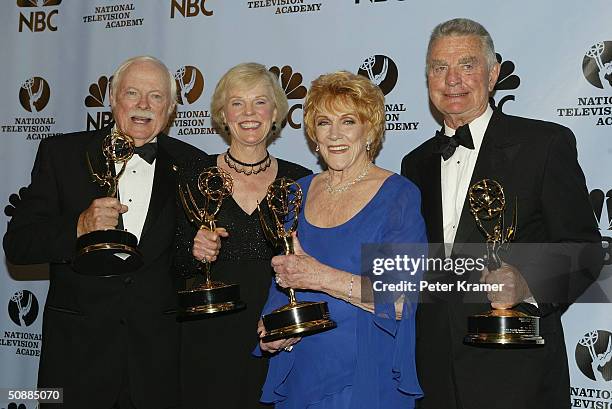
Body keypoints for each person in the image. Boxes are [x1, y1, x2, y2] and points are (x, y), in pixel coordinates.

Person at [401, 18, 602, 409]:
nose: (452, 79)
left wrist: (526, 284)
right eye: (440, 67)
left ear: (493, 75)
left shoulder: (544, 144)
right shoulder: (415, 163)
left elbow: (588, 251)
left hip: (517, 373)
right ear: (428, 78)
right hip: (434, 373)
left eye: (468, 64)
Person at [3, 55, 206, 409]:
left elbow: (180, 262)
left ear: (171, 108)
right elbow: (19, 245)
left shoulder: (192, 164)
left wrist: (199, 251)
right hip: (75, 360)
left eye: (156, 96)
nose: (143, 105)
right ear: (112, 98)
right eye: (132, 93)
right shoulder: (61, 154)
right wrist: (78, 226)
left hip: (155, 365)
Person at [257, 71, 427, 409]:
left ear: (369, 130)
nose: (334, 134)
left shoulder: (398, 196)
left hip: (365, 375)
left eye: (348, 121)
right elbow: (286, 278)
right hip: (302, 371)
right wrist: (273, 330)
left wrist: (320, 277)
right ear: (313, 135)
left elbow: (399, 300)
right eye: (323, 123)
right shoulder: (296, 192)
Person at [175, 62, 311, 409]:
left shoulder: (301, 181)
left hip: (277, 334)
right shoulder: (194, 175)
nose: (249, 113)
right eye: (237, 103)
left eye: (260, 102)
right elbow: (169, 263)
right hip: (209, 340)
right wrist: (194, 250)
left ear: (277, 111)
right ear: (222, 113)